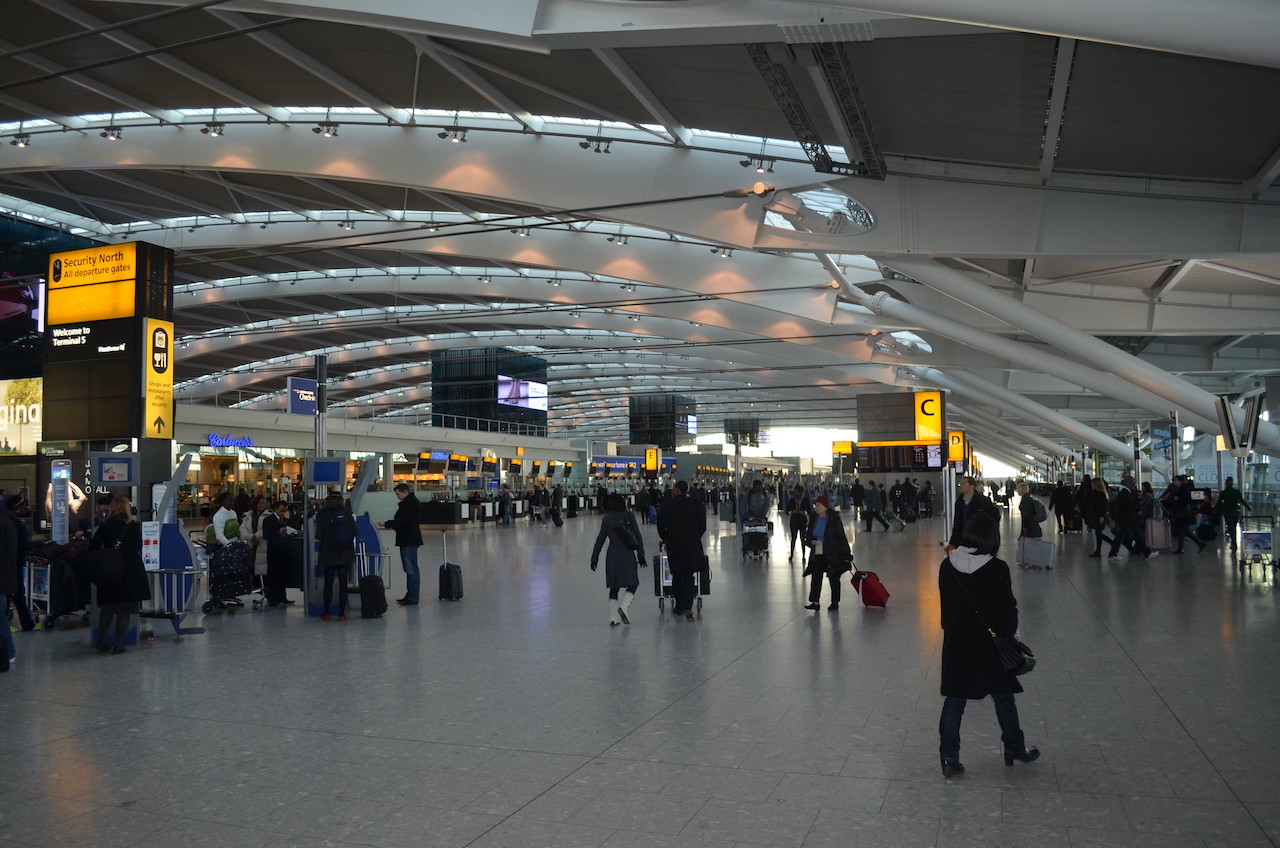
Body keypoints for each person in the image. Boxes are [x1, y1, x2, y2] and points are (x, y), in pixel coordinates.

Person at [937, 512, 1039, 778]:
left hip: (957, 644)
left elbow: (946, 613)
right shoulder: (997, 568)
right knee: (1004, 698)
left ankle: (949, 756)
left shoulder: (947, 566)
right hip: (990, 646)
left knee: (955, 699)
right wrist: (1012, 635)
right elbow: (1007, 610)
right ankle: (1015, 748)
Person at [88, 496, 151, 655]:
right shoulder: (134, 526)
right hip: (130, 571)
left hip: (110, 570)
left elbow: (94, 546)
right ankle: (118, 644)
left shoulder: (105, 525)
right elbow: (138, 545)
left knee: (107, 608)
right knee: (124, 610)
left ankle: (101, 640)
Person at [590, 493, 647, 625]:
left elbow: (600, 540)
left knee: (614, 586)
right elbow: (637, 536)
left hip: (612, 555)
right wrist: (641, 555)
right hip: (627, 553)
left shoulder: (607, 519)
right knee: (633, 583)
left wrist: (594, 558)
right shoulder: (629, 516)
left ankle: (613, 617)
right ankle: (624, 607)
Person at [656, 480, 706, 621]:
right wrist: (695, 537)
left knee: (677, 575)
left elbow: (660, 525)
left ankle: (678, 606)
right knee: (689, 576)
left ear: (677, 490)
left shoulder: (667, 505)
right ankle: (688, 607)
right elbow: (702, 525)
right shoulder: (696, 504)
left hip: (674, 545)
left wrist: (666, 538)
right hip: (691, 545)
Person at [803, 496, 852, 611]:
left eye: (819, 505)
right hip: (818, 551)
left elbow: (841, 537)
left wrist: (846, 554)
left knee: (833, 577)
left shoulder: (833, 518)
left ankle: (835, 602)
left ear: (825, 506)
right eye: (815, 505)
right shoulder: (813, 517)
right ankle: (815, 602)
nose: (816, 508)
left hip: (832, 552)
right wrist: (811, 541)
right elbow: (809, 533)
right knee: (816, 576)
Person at [315, 493, 357, 621]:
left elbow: (319, 535)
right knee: (343, 583)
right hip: (345, 552)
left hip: (329, 552)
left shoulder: (323, 513)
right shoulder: (346, 512)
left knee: (329, 583)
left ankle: (327, 613)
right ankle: (342, 614)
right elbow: (355, 531)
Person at [382, 483, 423, 605]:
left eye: (398, 494)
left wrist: (387, 523)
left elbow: (403, 521)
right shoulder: (410, 503)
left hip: (408, 539)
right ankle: (411, 595)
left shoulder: (410, 504)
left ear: (405, 492)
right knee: (410, 569)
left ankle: (413, 596)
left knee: (411, 569)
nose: (397, 497)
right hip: (408, 539)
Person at [1106, 475, 1156, 560]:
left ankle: (1113, 553)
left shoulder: (1123, 492)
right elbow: (1128, 507)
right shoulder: (1126, 493)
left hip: (1123, 520)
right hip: (1128, 519)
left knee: (1120, 537)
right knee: (1137, 536)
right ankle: (1147, 553)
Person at [261, 500, 299, 607]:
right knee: (273, 574)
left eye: (285, 511)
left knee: (283, 574)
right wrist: (278, 532)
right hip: (273, 551)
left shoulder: (285, 520)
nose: (283, 513)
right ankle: (272, 597)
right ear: (276, 509)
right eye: (281, 511)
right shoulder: (268, 520)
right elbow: (266, 535)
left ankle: (282, 596)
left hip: (284, 550)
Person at [948, 476, 1000, 547]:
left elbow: (995, 516)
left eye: (963, 483)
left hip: (978, 539)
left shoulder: (983, 501)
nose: (960, 486)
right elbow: (957, 522)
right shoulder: (959, 501)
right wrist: (953, 542)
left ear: (971, 486)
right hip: (963, 539)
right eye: (960, 483)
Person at [1162, 475, 1204, 554]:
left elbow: (1184, 501)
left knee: (1181, 531)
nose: (1174, 482)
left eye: (1175, 481)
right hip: (1183, 513)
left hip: (1182, 514)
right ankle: (1199, 543)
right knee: (1185, 531)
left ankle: (1181, 548)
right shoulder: (1181, 489)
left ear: (1179, 481)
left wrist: (1176, 499)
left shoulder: (1182, 490)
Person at [0, 509, 16, 671]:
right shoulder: (7, 522)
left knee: (0, 619)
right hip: (5, 580)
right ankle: (9, 652)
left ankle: (7, 652)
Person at [240, 495, 271, 580]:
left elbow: (267, 529)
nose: (262, 505)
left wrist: (256, 536)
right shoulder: (248, 516)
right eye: (260, 503)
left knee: (262, 571)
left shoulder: (268, 516)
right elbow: (242, 530)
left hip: (262, 546)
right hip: (250, 546)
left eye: (264, 504)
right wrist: (251, 537)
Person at [1218, 476, 1250, 551]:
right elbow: (1241, 500)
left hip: (1227, 512)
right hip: (1235, 512)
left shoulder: (1223, 493)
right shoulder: (1236, 492)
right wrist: (1248, 507)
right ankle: (1233, 542)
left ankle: (1233, 543)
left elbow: (1219, 503)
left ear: (1226, 483)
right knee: (1234, 527)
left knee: (1230, 527)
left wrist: (1214, 509)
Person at [1084, 477, 1114, 557]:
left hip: (1098, 515)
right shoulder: (1101, 493)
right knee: (1098, 533)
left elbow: (1102, 506)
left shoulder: (1099, 494)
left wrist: (1101, 516)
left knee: (1099, 534)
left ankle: (1110, 545)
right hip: (1098, 515)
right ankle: (1099, 550)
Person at [784, 485, 812, 564]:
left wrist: (803, 512)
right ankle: (792, 554)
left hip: (802, 521)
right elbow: (787, 511)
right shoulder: (792, 501)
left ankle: (803, 555)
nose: (794, 493)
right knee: (793, 538)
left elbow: (809, 511)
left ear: (800, 492)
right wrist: (793, 512)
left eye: (796, 492)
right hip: (794, 521)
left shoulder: (805, 500)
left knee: (803, 539)